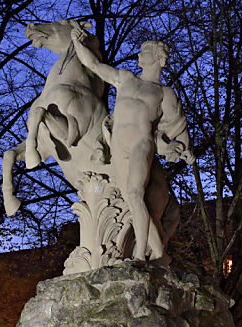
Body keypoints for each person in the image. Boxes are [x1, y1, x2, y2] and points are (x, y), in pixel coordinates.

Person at [70, 31, 195, 262]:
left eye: (146, 51)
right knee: (132, 200)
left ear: (159, 58)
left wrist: (180, 148)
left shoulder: (163, 93)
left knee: (135, 194)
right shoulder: (125, 78)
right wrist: (78, 44)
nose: (140, 54)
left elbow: (175, 128)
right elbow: (94, 65)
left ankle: (139, 256)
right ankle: (158, 252)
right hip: (118, 145)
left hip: (141, 143)